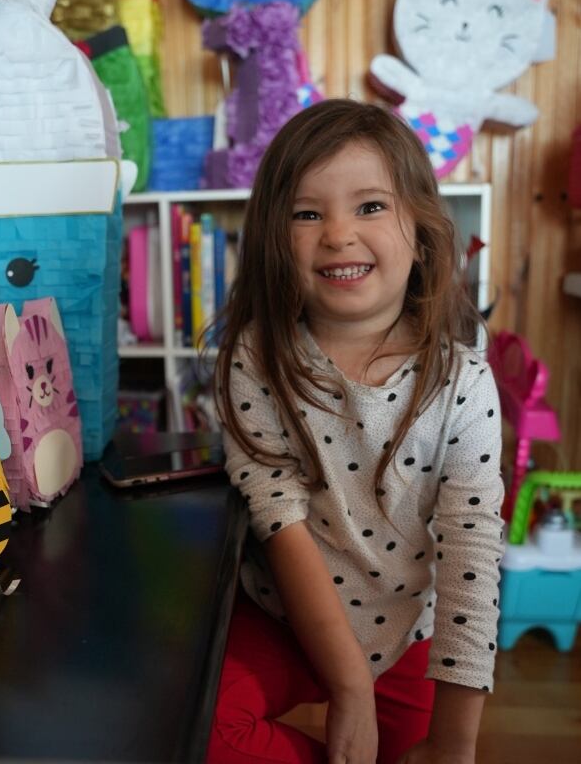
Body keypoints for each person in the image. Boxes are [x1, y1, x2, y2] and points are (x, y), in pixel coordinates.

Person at [207, 100, 503, 764]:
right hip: (285, 621)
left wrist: (455, 749)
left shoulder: (463, 381)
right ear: (273, 240)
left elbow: (472, 559)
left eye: (369, 206)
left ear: (422, 232)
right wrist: (349, 688)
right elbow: (274, 513)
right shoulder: (255, 360)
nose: (338, 234)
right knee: (200, 727)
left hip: (407, 635)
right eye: (307, 214)